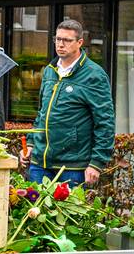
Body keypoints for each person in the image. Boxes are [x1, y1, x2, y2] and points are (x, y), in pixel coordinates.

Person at [27, 19, 114, 187]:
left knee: (70, 206)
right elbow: (41, 113)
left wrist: (96, 162)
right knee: (33, 204)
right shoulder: (49, 70)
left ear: (80, 42)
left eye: (67, 40)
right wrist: (31, 143)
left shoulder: (94, 75)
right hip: (40, 162)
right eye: (58, 39)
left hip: (72, 166)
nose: (60, 44)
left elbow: (105, 121)